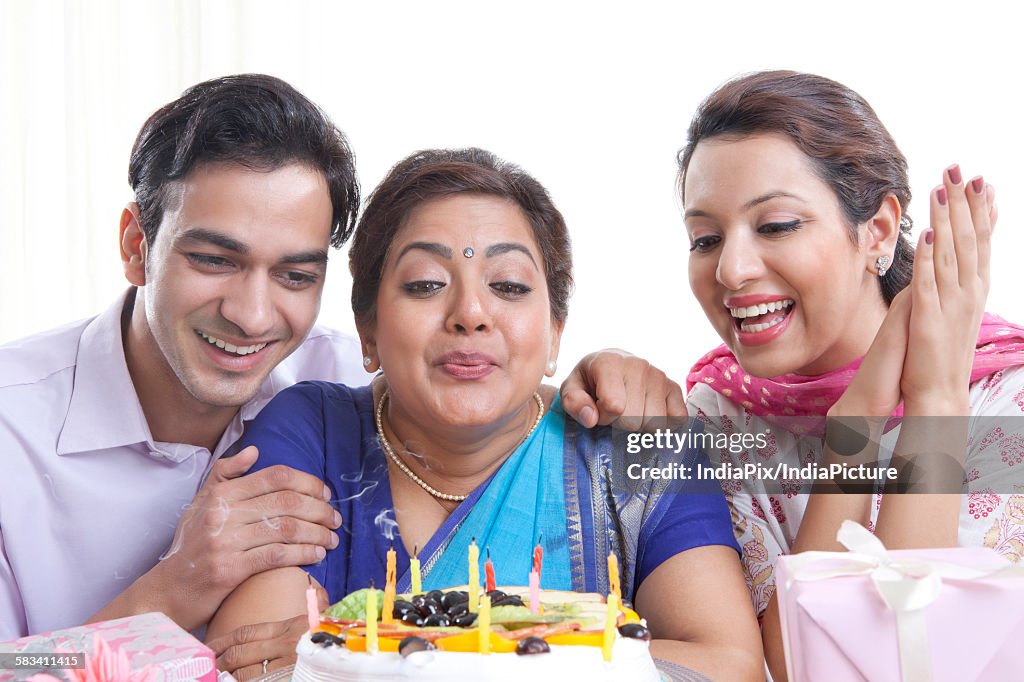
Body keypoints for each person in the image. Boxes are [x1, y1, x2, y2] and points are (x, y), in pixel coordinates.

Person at [0, 74, 687, 650]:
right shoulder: (13, 431)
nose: (253, 313)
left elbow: (478, 370)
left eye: (296, 275)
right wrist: (172, 589)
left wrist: (610, 367)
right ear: (134, 244)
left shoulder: (337, 380)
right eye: (214, 260)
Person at [205, 148, 764, 681]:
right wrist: (568, 649)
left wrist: (375, 646)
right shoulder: (311, 434)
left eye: (508, 285)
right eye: (426, 285)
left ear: (555, 334)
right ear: (367, 331)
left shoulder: (639, 440)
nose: (470, 313)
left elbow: (724, 664)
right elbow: (253, 662)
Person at [677, 70, 1024, 680]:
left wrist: (936, 402)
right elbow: (800, 669)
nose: (731, 270)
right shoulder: (713, 422)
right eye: (704, 238)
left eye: (777, 225)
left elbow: (915, 662)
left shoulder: (1006, 400)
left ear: (879, 231)